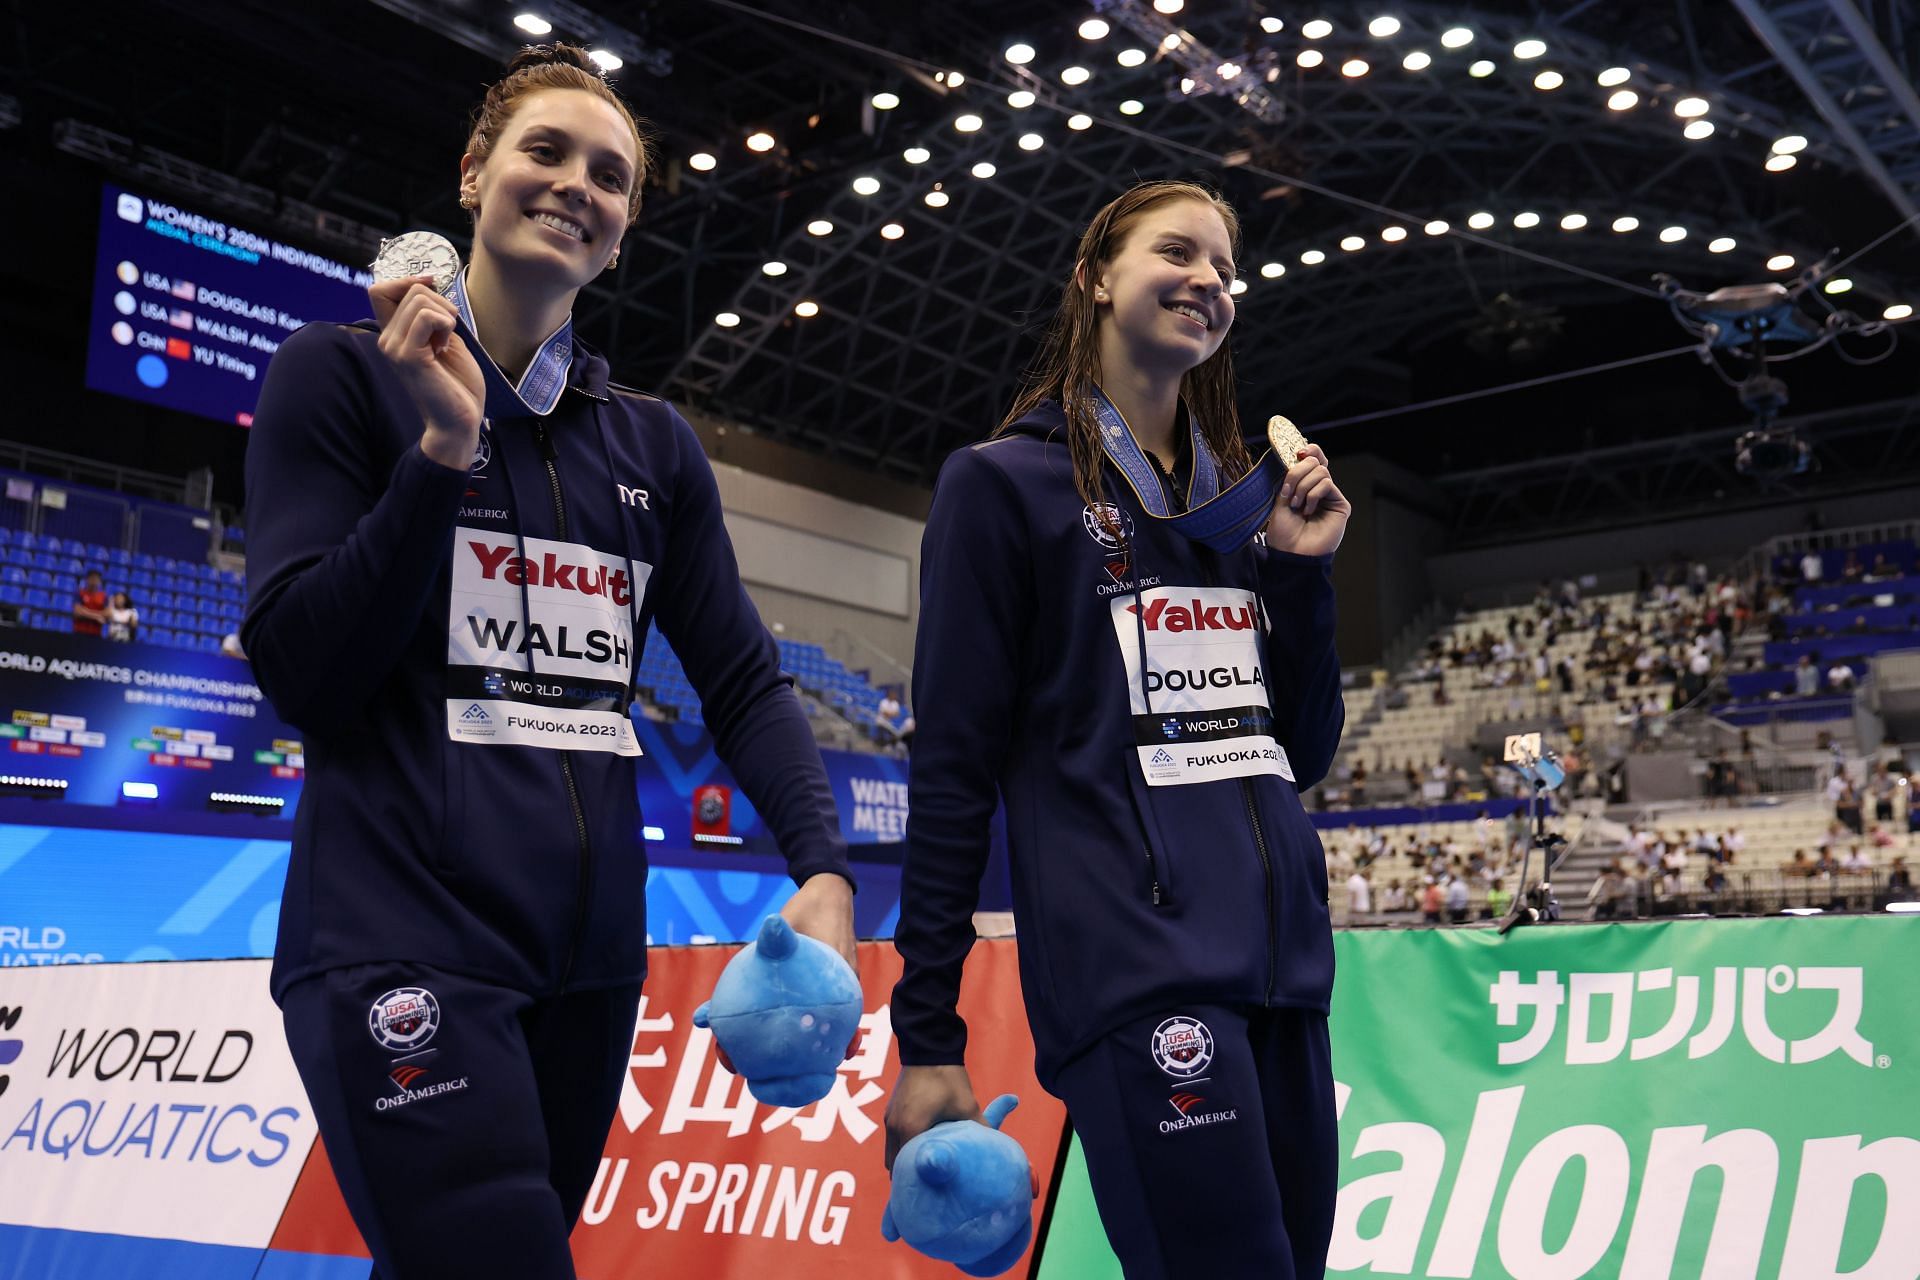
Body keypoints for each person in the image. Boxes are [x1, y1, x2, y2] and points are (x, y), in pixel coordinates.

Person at [241, 46, 856, 1280]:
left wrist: (826, 866)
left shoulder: (654, 447)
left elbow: (738, 674)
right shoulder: (339, 376)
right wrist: (442, 452)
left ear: (623, 232)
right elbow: (305, 667)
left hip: (585, 976)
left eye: (612, 175)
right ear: (473, 174)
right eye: (546, 151)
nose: (578, 183)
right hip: (397, 941)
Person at [884, 180, 1349, 1280]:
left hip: (1283, 975)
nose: (1209, 281)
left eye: (1227, 270)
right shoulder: (1001, 488)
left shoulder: (1231, 513)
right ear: (1096, 276)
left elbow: (1302, 753)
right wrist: (930, 1033)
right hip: (1139, 974)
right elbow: (952, 768)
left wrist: (1304, 571)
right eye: (1178, 252)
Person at [71, 568, 107, 637]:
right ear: (87, 579)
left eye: (96, 579)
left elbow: (107, 614)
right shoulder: (79, 593)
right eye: (92, 578)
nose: (94, 581)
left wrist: (85, 612)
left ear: (99, 581)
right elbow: (77, 612)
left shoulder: (104, 596)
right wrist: (97, 617)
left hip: (96, 634)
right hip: (79, 632)